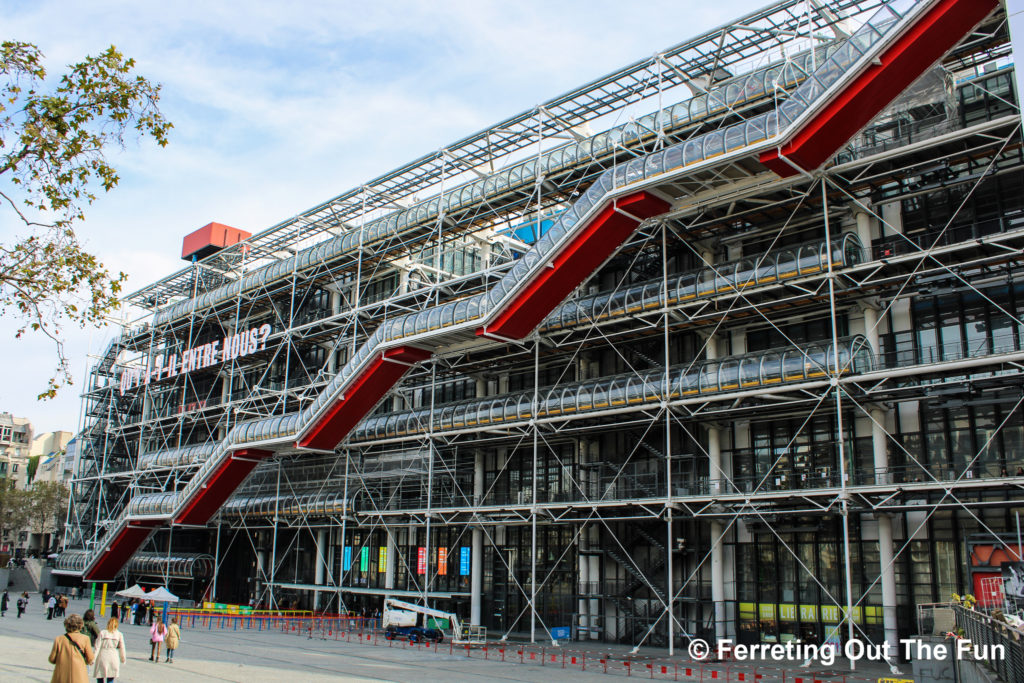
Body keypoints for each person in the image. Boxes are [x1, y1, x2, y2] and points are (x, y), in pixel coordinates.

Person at [48, 613, 95, 683]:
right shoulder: (85, 639)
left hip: (61, 676)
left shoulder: (59, 639)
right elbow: (90, 658)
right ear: (80, 625)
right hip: (79, 675)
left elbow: (52, 659)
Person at [93, 617, 127, 682]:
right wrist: (123, 659)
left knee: (100, 677)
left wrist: (93, 659)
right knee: (110, 678)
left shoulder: (102, 633)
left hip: (102, 656)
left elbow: (97, 647)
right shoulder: (119, 634)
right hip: (113, 657)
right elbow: (122, 648)